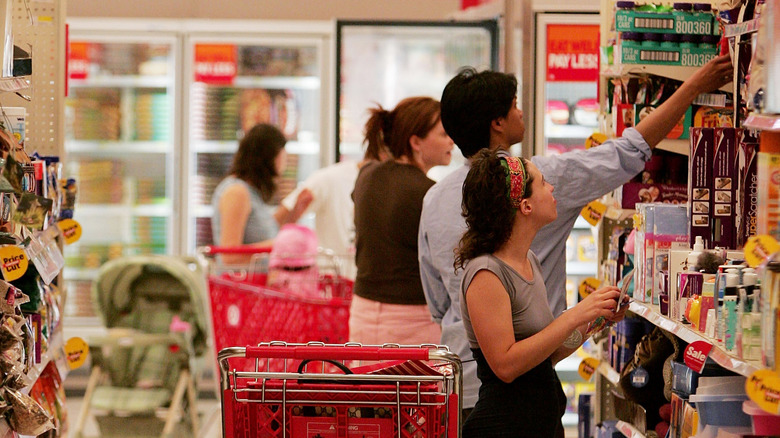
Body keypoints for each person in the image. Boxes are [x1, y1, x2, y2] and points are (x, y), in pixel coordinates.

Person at [418, 54, 733, 414]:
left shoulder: (434, 200)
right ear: (498, 122)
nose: (522, 113)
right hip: (505, 396)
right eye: (515, 106)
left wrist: (590, 320)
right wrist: (693, 87)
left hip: (461, 382)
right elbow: (631, 150)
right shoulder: (538, 179)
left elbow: (440, 305)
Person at [456, 150, 626, 437]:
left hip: (541, 424)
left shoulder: (529, 260)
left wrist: (596, 321)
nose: (552, 188)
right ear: (525, 206)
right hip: (502, 429)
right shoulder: (486, 273)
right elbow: (506, 365)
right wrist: (574, 315)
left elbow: (545, 356)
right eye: (543, 183)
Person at [350, 96, 454, 345]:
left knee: (365, 385)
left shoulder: (366, 175)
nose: (451, 140)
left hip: (361, 312)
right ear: (416, 141)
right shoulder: (429, 193)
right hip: (413, 320)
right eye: (443, 134)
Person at [275, 143, 391, 279]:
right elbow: (277, 221)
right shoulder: (329, 179)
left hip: (370, 286)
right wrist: (293, 218)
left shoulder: (392, 186)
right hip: (331, 286)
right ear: (385, 155)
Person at [211, 123, 313, 264]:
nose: (284, 165)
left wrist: (295, 212)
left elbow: (266, 230)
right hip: (239, 284)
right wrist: (282, 243)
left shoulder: (251, 192)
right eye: (282, 156)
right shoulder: (237, 192)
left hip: (253, 283)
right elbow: (229, 256)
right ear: (268, 158)